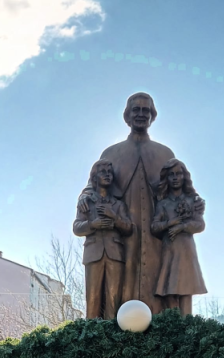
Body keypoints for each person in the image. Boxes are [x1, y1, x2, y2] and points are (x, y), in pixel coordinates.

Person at [84, 93, 175, 312]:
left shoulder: (164, 154)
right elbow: (92, 183)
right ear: (127, 116)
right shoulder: (111, 153)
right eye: (136, 110)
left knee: (155, 280)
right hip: (119, 231)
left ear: (152, 116)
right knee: (118, 285)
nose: (141, 115)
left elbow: (179, 188)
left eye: (146, 111)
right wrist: (83, 197)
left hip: (155, 232)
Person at [73, 160, 133, 319]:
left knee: (114, 299)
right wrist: (93, 224)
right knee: (93, 298)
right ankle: (92, 336)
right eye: (103, 172)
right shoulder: (86, 202)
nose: (107, 175)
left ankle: (112, 337)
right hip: (93, 253)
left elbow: (128, 227)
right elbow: (77, 227)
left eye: (109, 172)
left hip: (115, 254)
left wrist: (114, 217)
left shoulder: (118, 204)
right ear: (95, 177)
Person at [150, 159, 207, 315]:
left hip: (186, 249)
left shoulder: (192, 200)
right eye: (171, 175)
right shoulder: (163, 204)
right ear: (167, 178)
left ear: (184, 176)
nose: (175, 178)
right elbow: (154, 227)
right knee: (169, 290)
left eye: (179, 174)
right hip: (170, 250)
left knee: (185, 290)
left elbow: (200, 224)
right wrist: (170, 223)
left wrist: (181, 227)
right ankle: (174, 327)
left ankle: (186, 327)